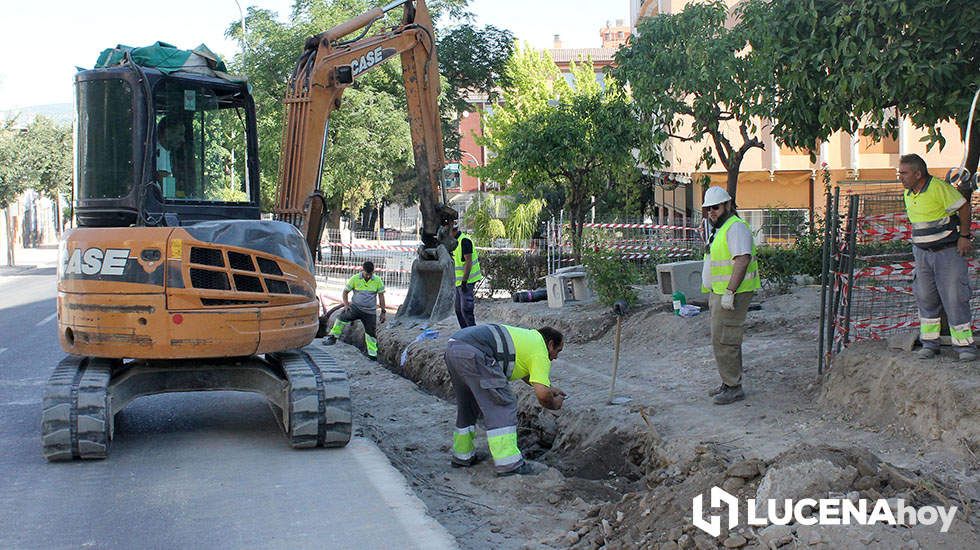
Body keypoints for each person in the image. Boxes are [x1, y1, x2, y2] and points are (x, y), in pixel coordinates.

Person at [444, 324, 566, 476]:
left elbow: (529, 375)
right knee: (502, 403)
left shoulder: (528, 339)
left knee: (468, 405)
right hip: (476, 351)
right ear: (550, 344)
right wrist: (554, 404)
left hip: (454, 346)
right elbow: (542, 396)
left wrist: (550, 388)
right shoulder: (541, 351)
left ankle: (462, 456)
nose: (556, 357)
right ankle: (509, 464)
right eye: (557, 351)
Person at [898, 154, 976, 361]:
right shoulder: (908, 193)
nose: (901, 177)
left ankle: (965, 346)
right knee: (925, 297)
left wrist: (965, 237)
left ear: (918, 173)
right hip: (922, 255)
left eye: (904, 173)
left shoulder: (939, 188)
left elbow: (964, 207)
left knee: (955, 297)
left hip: (948, 253)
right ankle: (930, 344)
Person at [700, 186, 761, 405]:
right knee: (722, 338)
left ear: (727, 205)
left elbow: (742, 260)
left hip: (732, 294)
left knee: (726, 339)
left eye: (715, 208)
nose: (711, 213)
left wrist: (729, 292)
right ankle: (728, 382)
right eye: (708, 209)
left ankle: (733, 387)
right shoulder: (721, 228)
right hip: (721, 293)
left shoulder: (735, 228)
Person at [324, 261, 386, 360]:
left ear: (373, 272)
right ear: (363, 270)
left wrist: (383, 312)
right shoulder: (355, 278)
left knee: (371, 333)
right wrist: (346, 305)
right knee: (341, 318)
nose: (369, 276)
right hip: (355, 308)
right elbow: (345, 292)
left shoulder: (378, 280)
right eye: (367, 274)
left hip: (369, 312)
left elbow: (381, 296)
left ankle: (372, 354)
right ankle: (333, 337)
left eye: (371, 274)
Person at [450, 225, 482, 328]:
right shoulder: (453, 243)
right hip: (459, 281)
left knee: (466, 309)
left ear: (453, 231)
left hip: (467, 280)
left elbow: (468, 263)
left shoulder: (464, 241)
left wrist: (464, 281)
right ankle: (465, 332)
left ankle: (472, 331)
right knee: (458, 310)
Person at [155, 115, 186, 198]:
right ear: (167, 133)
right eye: (180, 134)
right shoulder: (158, 153)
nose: (183, 140)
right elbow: (169, 193)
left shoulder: (166, 152)